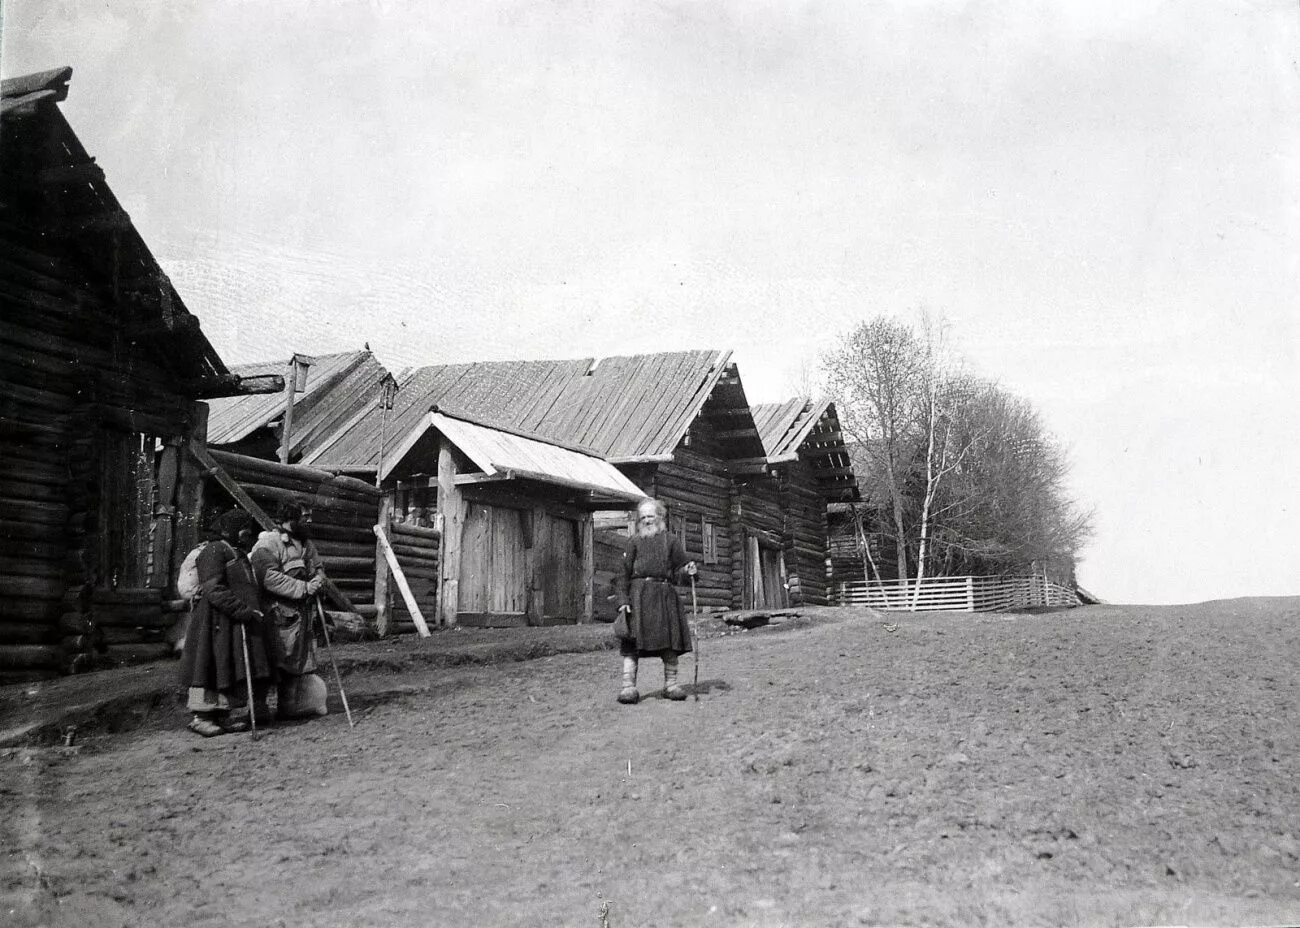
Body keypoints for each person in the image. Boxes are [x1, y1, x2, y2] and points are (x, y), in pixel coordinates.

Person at [177, 509, 279, 737]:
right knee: (210, 665)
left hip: (232, 621)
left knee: (227, 667)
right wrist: (241, 609)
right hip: (215, 621)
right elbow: (213, 588)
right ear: (230, 529)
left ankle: (222, 716)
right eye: (243, 529)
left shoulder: (234, 551)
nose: (246, 534)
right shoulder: (213, 551)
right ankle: (201, 718)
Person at [614, 498, 698, 704]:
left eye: (650, 516)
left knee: (670, 643)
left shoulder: (671, 541)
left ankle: (671, 685)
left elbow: (681, 568)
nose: (646, 520)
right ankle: (628, 688)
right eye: (642, 517)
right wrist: (623, 600)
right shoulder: (633, 542)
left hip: (664, 597)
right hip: (638, 597)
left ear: (660, 517)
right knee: (632, 643)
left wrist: (689, 571)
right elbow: (622, 574)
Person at [250, 502, 329, 719]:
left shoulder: (306, 544)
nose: (309, 521)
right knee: (270, 661)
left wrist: (318, 581)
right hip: (275, 616)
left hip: (301, 616)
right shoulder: (268, 543)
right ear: (289, 518)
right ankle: (258, 710)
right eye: (305, 517)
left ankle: (287, 707)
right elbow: (267, 577)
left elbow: (319, 568)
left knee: (296, 663)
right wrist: (303, 588)